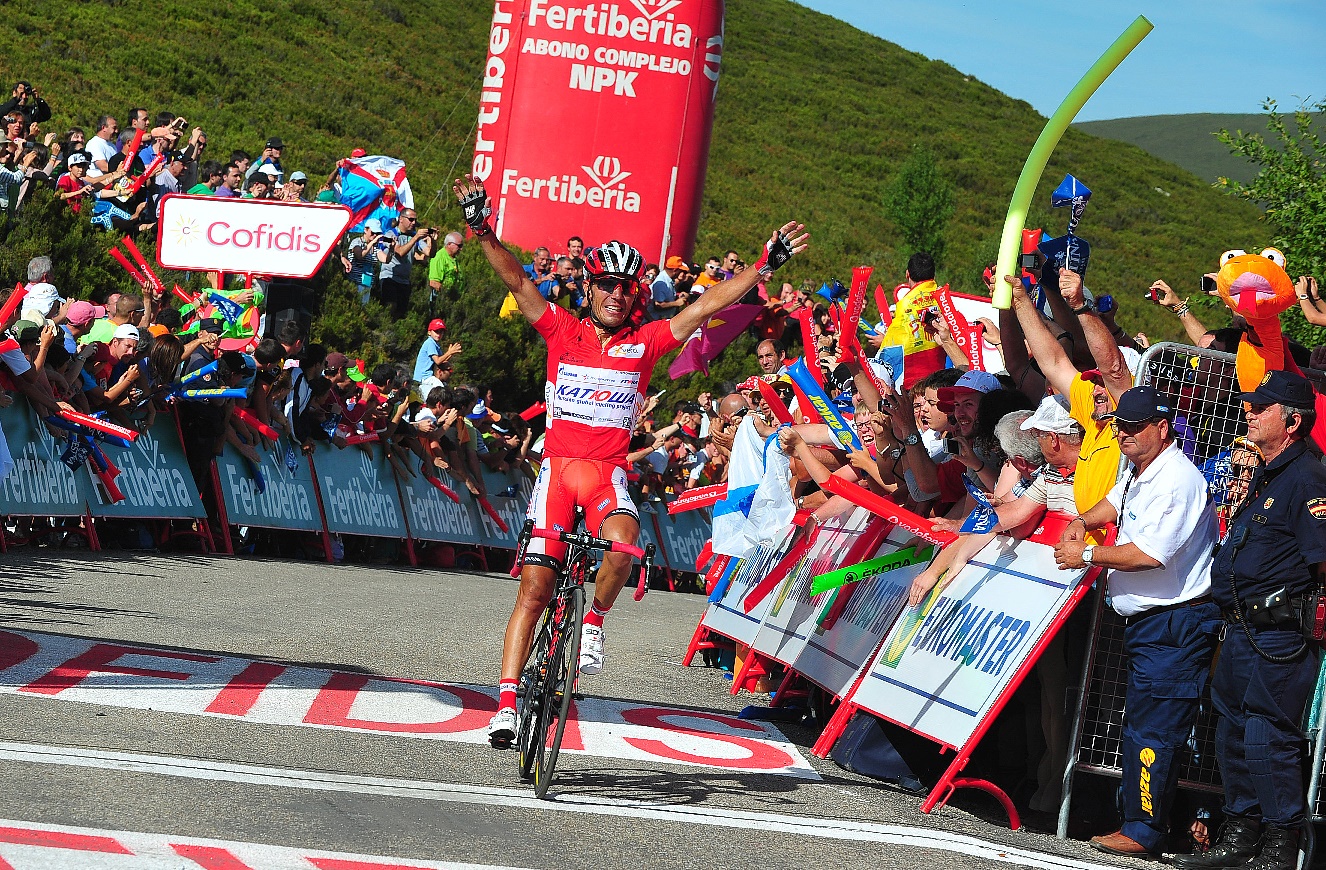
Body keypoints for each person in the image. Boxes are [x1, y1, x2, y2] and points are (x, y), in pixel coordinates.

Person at [453, 172, 806, 748]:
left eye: (625, 287)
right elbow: (517, 279)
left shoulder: (646, 343)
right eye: (606, 286)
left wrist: (764, 265)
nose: (616, 295)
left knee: (623, 545)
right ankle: (507, 705)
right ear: (590, 289)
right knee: (534, 591)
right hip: (558, 473)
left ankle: (593, 622)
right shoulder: (562, 329)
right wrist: (482, 228)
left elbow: (709, 303)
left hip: (605, 477)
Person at [1052, 386, 1221, 860]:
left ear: (1162, 428)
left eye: (1134, 426)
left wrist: (1086, 554)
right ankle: (1137, 822)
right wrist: (1084, 521)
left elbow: (1150, 554)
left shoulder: (1178, 480)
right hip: (1151, 624)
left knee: (1156, 732)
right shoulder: (1138, 467)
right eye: (1119, 426)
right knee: (1143, 727)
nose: (1123, 434)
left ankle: (1144, 831)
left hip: (1176, 624)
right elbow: (1115, 501)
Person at [1172, 371, 1326, 870]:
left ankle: (1280, 845)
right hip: (1241, 628)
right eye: (1251, 405)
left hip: (1280, 633)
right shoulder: (1268, 472)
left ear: (1293, 422)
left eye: (1262, 407)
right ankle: (1240, 834)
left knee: (1267, 735)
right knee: (1233, 732)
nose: (1249, 412)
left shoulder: (1308, 478)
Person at [377, 209, 434, 319]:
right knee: (390, 307)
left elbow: (430, 253)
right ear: (401, 219)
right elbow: (400, 252)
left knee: (401, 312)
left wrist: (433, 240)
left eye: (415, 220)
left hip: (404, 280)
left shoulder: (414, 236)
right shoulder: (391, 234)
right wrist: (416, 237)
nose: (413, 223)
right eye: (411, 219)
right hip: (390, 277)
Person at [413, 318, 461, 384]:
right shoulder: (430, 343)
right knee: (440, 386)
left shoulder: (435, 344)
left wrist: (450, 354)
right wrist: (449, 352)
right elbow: (437, 361)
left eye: (441, 332)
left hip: (428, 377)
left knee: (443, 386)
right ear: (429, 332)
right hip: (425, 376)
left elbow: (442, 361)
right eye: (436, 331)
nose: (439, 334)